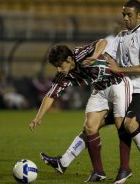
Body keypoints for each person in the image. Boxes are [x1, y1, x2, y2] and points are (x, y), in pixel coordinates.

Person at [29, 39, 133, 182]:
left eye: (60, 65)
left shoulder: (79, 54)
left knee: (124, 126)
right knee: (90, 127)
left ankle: (129, 168)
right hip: (101, 89)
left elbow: (102, 41)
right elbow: (50, 95)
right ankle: (98, 172)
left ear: (70, 59)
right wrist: (38, 117)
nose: (58, 69)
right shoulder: (63, 75)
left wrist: (96, 55)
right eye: (56, 67)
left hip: (118, 83)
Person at [104, 1, 140, 183]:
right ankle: (66, 161)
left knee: (129, 124)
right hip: (123, 88)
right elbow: (106, 57)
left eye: (129, 15)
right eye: (123, 15)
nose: (125, 18)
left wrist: (118, 69)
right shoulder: (120, 36)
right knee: (92, 124)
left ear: (139, 15)